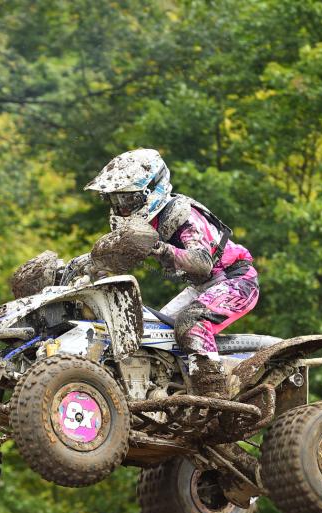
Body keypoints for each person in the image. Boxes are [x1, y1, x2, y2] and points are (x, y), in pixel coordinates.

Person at [85, 148, 260, 398]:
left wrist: (161, 249)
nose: (122, 209)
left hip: (237, 280)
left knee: (191, 322)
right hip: (202, 287)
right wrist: (83, 266)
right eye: (116, 201)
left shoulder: (180, 213)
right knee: (150, 335)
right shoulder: (147, 222)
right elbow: (109, 260)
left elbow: (202, 262)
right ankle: (168, 394)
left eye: (127, 200)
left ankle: (213, 394)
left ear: (150, 190)